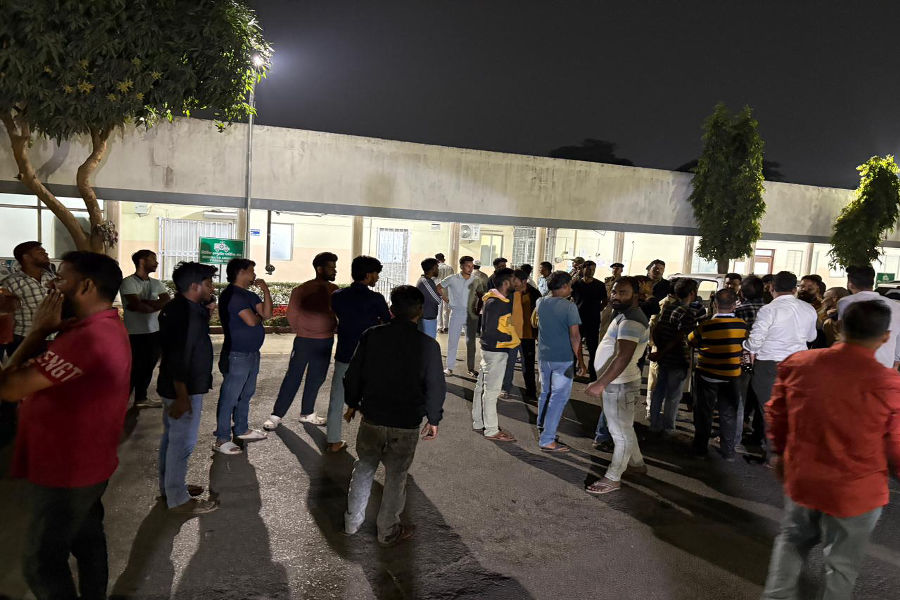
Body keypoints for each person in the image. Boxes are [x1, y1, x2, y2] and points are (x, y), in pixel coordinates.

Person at [0, 251, 130, 598]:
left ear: (85, 286)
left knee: (40, 562)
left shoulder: (85, 339)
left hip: (66, 471)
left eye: (60, 279)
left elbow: (8, 388)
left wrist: (36, 332)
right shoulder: (99, 326)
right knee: (87, 541)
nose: (51, 288)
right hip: (88, 462)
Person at [761, 300, 900, 599]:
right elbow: (895, 443)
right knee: (841, 564)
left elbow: (778, 413)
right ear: (885, 337)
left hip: (804, 477)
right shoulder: (889, 383)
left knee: (792, 541)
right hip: (857, 488)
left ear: (838, 326)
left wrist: (781, 452)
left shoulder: (799, 364)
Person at [343, 285, 446, 546]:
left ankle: (352, 522)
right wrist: (434, 418)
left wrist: (352, 402)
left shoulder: (371, 336)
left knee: (364, 468)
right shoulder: (428, 346)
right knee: (396, 476)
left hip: (372, 416)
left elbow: (353, 374)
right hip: (406, 422)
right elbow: (435, 386)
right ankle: (387, 530)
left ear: (391, 310)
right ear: (419, 312)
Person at [157, 261, 219, 515]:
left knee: (172, 439)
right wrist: (182, 395)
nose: (212, 287)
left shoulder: (179, 308)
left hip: (176, 385)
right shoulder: (186, 314)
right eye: (208, 283)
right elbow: (178, 356)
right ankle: (178, 498)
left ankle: (170, 486)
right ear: (195, 286)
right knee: (182, 443)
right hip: (183, 388)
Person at [585, 276, 650, 493]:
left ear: (635, 295)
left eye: (623, 292)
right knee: (624, 428)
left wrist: (600, 383)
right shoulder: (625, 314)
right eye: (614, 291)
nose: (616, 296)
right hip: (619, 383)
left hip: (619, 385)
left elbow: (623, 357)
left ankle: (613, 478)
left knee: (620, 433)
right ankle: (637, 464)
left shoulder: (631, 320)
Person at [744, 271, 818, 458]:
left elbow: (755, 341)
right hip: (799, 364)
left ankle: (775, 455)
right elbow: (811, 337)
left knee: (770, 411)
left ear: (771, 288)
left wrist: (746, 346)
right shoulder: (808, 309)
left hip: (770, 364)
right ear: (795, 289)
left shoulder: (769, 310)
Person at [265, 252, 339, 430]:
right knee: (293, 377)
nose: (334, 270)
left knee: (317, 378)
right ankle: (276, 416)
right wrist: (304, 330)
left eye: (335, 267)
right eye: (331, 267)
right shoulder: (302, 289)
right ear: (319, 269)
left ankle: (307, 413)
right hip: (304, 341)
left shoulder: (335, 290)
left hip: (325, 341)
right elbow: (291, 314)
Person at [328, 256, 392, 453]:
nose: (377, 277)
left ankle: (334, 440)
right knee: (374, 398)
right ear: (368, 275)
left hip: (345, 352)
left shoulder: (337, 296)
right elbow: (387, 322)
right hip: (369, 356)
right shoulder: (376, 299)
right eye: (376, 273)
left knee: (337, 397)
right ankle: (375, 443)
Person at [213, 258, 272, 455]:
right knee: (230, 397)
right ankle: (222, 438)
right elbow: (252, 321)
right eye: (251, 271)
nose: (254, 274)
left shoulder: (249, 294)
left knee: (246, 394)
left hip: (252, 353)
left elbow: (267, 314)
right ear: (241, 272)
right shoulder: (233, 295)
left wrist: (265, 291)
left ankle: (241, 428)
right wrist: (259, 316)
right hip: (237, 354)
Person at [687, 289, 748, 460]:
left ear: (715, 304)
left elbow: (690, 340)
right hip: (731, 375)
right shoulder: (742, 326)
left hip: (707, 374)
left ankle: (700, 449)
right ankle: (728, 451)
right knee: (728, 413)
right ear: (735, 305)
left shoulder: (706, 325)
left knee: (704, 412)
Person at [535, 271, 588, 452]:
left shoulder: (540, 302)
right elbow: (575, 337)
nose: (571, 289)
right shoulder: (569, 307)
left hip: (544, 356)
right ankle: (547, 439)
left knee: (545, 393)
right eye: (570, 286)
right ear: (564, 286)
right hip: (563, 358)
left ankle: (542, 428)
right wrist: (580, 361)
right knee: (558, 398)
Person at [472, 268, 520, 441]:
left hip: (490, 350)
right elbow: (492, 330)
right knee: (491, 392)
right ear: (506, 283)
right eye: (514, 280)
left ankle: (479, 422)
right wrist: (511, 337)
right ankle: (491, 430)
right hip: (496, 351)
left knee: (481, 388)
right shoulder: (497, 303)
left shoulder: (492, 299)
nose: (517, 283)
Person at [119, 250, 171, 409]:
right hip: (134, 333)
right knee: (133, 368)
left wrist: (145, 303)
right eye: (153, 259)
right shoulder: (128, 282)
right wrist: (150, 305)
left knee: (149, 366)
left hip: (154, 332)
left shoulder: (156, 283)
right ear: (142, 261)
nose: (157, 263)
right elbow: (138, 306)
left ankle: (141, 398)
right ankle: (121, 402)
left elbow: (167, 301)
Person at [647, 278, 698, 434]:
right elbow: (682, 338)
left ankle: (654, 423)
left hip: (664, 358)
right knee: (673, 395)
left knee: (659, 391)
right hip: (678, 358)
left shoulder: (669, 307)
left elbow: (657, 328)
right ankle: (668, 428)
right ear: (692, 293)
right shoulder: (688, 313)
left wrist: (659, 350)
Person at [837, 265, 900, 370]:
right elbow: (898, 336)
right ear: (872, 282)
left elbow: (842, 331)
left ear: (850, 284)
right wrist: (896, 360)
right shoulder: (896, 306)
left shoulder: (845, 302)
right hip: (885, 362)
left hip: (854, 362)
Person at [734, 275, 766, 452]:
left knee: (740, 397)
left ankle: (736, 433)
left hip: (744, 357)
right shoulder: (769, 309)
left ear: (743, 292)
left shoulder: (740, 309)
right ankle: (758, 434)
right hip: (764, 358)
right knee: (760, 398)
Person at [4, 241, 54, 354]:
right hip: (24, 340)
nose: (46, 254)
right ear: (26, 257)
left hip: (53, 338)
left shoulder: (52, 278)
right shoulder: (11, 283)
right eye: (39, 251)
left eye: (45, 251)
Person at [441, 256, 485, 376]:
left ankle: (471, 368)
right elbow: (439, 287)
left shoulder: (476, 279)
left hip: (471, 314)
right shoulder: (452, 278)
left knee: (471, 343)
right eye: (467, 266)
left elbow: (481, 295)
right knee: (453, 341)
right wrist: (447, 300)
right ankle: (449, 368)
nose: (470, 268)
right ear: (461, 266)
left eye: (472, 266)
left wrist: (478, 310)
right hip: (456, 313)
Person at [502, 269, 541, 399]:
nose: (512, 282)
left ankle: (531, 392)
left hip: (528, 335)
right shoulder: (509, 292)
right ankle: (505, 388)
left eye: (515, 280)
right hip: (511, 334)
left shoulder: (534, 293)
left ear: (524, 281)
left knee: (528, 365)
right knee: (509, 363)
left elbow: (539, 315)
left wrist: (538, 333)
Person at [571, 260, 608, 381]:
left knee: (593, 349)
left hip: (593, 321)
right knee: (574, 346)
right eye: (588, 269)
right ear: (583, 269)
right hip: (577, 320)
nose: (591, 271)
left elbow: (605, 301)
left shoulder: (600, 285)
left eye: (593, 269)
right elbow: (570, 297)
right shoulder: (576, 284)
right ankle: (573, 372)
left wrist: (597, 309)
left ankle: (593, 375)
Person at [417, 258, 443, 338]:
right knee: (428, 343)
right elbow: (437, 300)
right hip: (426, 319)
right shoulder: (425, 282)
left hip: (428, 318)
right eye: (437, 267)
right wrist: (440, 294)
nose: (438, 269)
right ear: (433, 268)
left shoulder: (428, 280)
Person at [599, 262, 624, 340]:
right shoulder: (608, 279)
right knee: (602, 324)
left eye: (617, 269)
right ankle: (601, 340)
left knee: (613, 324)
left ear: (621, 270)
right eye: (613, 268)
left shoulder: (623, 281)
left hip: (615, 304)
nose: (615, 270)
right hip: (606, 304)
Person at [435, 253, 453, 333]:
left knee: (439, 309)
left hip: (438, 290)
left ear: (437, 260)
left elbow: (434, 279)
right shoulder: (450, 268)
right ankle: (446, 327)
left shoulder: (436, 268)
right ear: (444, 259)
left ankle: (440, 327)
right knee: (447, 309)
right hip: (447, 290)